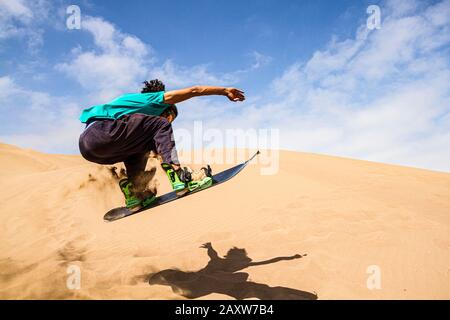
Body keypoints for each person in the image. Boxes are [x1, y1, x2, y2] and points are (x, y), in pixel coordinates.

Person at [78, 79, 245, 211]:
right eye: (170, 116)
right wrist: (224, 91)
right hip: (103, 131)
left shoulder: (130, 109)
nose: (169, 121)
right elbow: (195, 90)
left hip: (91, 147)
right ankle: (179, 175)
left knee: (141, 148)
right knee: (159, 125)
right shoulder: (154, 99)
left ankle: (134, 192)